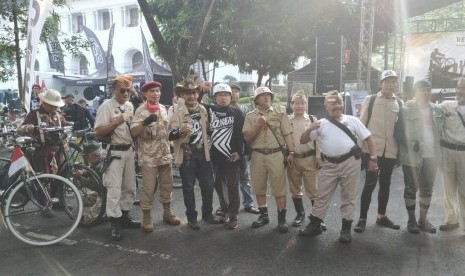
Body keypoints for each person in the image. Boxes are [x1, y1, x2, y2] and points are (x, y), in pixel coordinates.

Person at [299, 90, 377, 243]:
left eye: (338, 103)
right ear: (326, 107)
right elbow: (303, 140)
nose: (336, 106)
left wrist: (373, 158)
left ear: (342, 105)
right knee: (321, 195)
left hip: (350, 163)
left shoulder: (353, 120)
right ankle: (315, 225)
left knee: (349, 197)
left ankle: (346, 229)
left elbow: (369, 138)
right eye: (332, 103)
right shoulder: (320, 123)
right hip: (328, 164)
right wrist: (309, 129)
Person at [353, 70, 403, 233]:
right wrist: (360, 150)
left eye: (393, 81)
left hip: (390, 152)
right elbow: (362, 124)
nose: (390, 84)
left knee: (386, 185)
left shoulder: (400, 103)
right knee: (369, 184)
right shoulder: (371, 99)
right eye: (387, 81)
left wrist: (399, 154)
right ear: (381, 84)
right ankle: (362, 219)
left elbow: (401, 130)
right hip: (372, 151)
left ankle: (381, 216)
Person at [169, 75, 220, 230]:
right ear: (183, 95)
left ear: (198, 94)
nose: (191, 96)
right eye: (188, 93)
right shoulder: (176, 111)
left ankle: (207, 213)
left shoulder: (203, 109)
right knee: (188, 188)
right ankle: (191, 217)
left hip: (203, 153)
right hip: (187, 155)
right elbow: (169, 135)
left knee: (208, 185)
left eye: (194, 92)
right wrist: (180, 131)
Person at [243, 86, 295, 233]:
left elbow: (287, 134)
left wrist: (291, 152)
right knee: (259, 187)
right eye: (263, 95)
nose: (267, 97)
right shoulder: (250, 116)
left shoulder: (280, 113)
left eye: (268, 95)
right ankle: (263, 216)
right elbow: (247, 138)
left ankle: (282, 219)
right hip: (257, 154)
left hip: (276, 154)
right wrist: (258, 124)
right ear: (256, 100)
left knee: (279, 188)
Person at [130, 81, 181, 233]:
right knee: (149, 187)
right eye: (152, 91)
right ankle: (147, 216)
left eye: (158, 91)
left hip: (164, 154)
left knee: (167, 184)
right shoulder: (140, 110)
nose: (156, 94)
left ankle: (167, 212)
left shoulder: (163, 109)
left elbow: (166, 131)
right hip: (148, 156)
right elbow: (134, 132)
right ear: (145, 94)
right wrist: (145, 123)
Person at [94, 75, 140, 241]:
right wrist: (118, 121)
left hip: (129, 151)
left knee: (129, 187)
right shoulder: (106, 106)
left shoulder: (129, 105)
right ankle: (114, 223)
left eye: (129, 90)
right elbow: (98, 131)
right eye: (123, 90)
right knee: (114, 189)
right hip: (113, 152)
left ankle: (124, 217)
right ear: (113, 90)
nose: (126, 93)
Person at [395, 80, 443, 234]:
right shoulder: (406, 109)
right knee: (410, 189)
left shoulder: (437, 110)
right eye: (422, 90)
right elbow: (398, 133)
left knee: (427, 189)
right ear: (416, 92)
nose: (426, 93)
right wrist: (412, 143)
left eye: (428, 90)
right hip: (412, 157)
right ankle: (411, 221)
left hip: (432, 157)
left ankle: (423, 220)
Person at [208, 83, 245, 230]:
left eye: (226, 95)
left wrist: (240, 152)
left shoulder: (237, 112)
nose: (223, 98)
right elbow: (193, 102)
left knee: (232, 186)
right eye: (220, 95)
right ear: (214, 98)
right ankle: (225, 209)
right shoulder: (209, 110)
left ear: (231, 97)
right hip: (214, 156)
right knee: (217, 184)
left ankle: (234, 214)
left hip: (231, 156)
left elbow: (242, 135)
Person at [287, 91, 321, 227]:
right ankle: (300, 214)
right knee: (295, 189)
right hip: (293, 159)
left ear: (306, 105)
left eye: (302, 103)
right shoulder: (287, 120)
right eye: (297, 103)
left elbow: (318, 139)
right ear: (292, 105)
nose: (300, 106)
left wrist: (318, 156)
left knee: (313, 190)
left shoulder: (312, 119)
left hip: (309, 158)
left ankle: (317, 218)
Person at [438, 77, 465, 232]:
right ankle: (452, 220)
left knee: (464, 190)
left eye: (464, 88)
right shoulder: (447, 106)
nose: (460, 91)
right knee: (448, 189)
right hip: (447, 151)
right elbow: (429, 107)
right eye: (459, 87)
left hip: (464, 153)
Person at [228, 83, 259, 214]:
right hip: (227, 149)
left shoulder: (245, 109)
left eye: (236, 91)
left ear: (239, 94)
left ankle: (248, 203)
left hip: (244, 149)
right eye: (232, 91)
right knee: (228, 179)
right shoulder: (221, 109)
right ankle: (227, 205)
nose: (234, 94)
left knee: (244, 177)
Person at [20, 89, 67, 173]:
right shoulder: (34, 114)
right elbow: (22, 128)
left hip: (58, 151)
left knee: (61, 176)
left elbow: (65, 127)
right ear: (45, 103)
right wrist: (29, 127)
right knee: (43, 178)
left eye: (56, 106)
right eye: (52, 105)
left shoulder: (59, 114)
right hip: (41, 152)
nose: (54, 108)